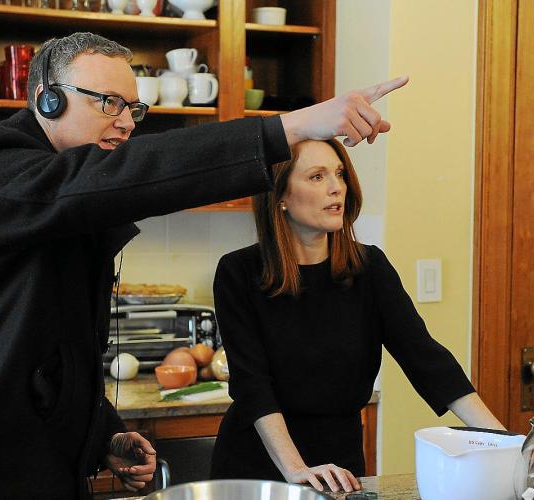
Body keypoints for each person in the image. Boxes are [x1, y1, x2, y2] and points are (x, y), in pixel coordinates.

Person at [0, 32, 408, 499]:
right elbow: (119, 176)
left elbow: (53, 349)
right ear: (47, 99)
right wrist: (292, 126)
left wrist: (102, 433)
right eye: (108, 102)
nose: (127, 122)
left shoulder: (71, 203)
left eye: (133, 108)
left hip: (42, 472)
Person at [210, 139, 505, 493]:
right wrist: (296, 469)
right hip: (259, 468)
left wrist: (507, 445)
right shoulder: (238, 272)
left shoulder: (370, 268)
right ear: (280, 195)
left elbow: (427, 360)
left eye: (339, 173)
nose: (337, 187)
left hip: (341, 466)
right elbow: (252, 386)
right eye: (317, 176)